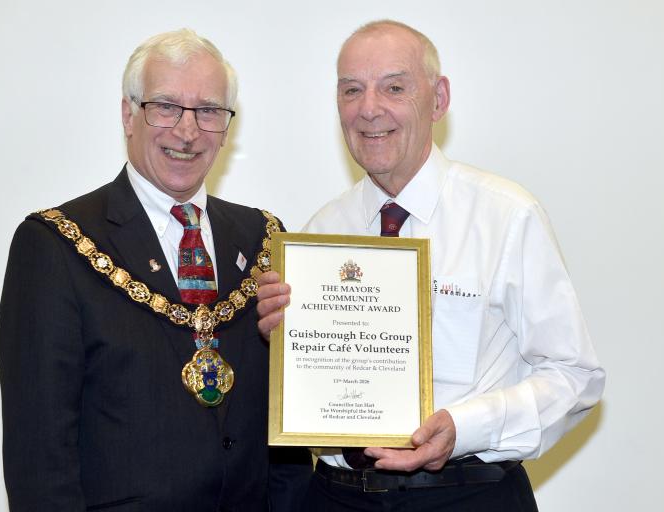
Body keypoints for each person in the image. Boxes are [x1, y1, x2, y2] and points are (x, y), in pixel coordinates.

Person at [256, 20, 605, 511]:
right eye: (351, 90)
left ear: (438, 99)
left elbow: (576, 376)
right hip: (335, 497)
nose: (369, 108)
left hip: (468, 494)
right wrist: (284, 346)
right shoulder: (318, 234)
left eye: (394, 87)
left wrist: (467, 427)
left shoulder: (505, 214)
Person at [0, 29, 309, 512]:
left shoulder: (264, 238)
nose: (187, 132)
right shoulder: (54, 244)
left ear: (227, 126)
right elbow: (39, 454)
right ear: (128, 113)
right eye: (166, 106)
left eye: (208, 111)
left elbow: (282, 433)